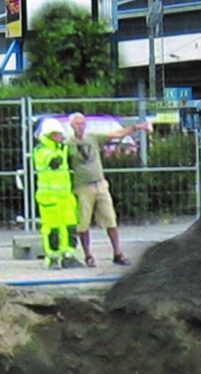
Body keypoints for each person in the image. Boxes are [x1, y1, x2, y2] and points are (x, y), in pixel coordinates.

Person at [67, 112, 151, 267]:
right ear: (71, 125)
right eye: (77, 123)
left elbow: (116, 134)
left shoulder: (92, 138)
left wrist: (137, 127)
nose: (81, 126)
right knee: (83, 223)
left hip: (100, 184)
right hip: (83, 187)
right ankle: (88, 255)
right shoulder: (68, 144)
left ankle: (117, 253)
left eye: (82, 123)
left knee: (110, 219)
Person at [32, 118, 80, 269]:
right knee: (52, 229)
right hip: (50, 199)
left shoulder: (59, 148)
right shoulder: (42, 151)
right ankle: (52, 258)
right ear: (48, 135)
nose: (60, 137)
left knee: (69, 227)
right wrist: (61, 148)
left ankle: (68, 255)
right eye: (57, 134)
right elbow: (53, 161)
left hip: (65, 197)